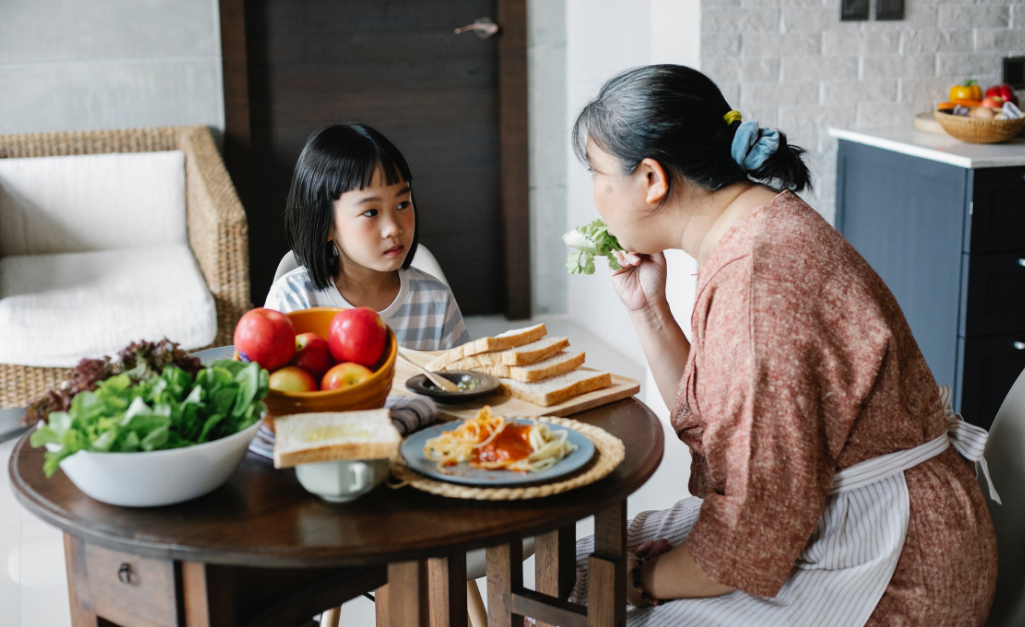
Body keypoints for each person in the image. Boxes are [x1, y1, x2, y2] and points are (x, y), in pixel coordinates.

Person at [567, 64, 998, 626]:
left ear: (652, 179)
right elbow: (718, 428)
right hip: (835, 513)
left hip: (897, 565)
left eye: (597, 173)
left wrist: (645, 582)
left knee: (583, 598)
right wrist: (648, 308)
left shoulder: (757, 281)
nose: (596, 195)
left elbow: (753, 532)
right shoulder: (755, 230)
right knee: (571, 568)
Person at [265, 124, 469, 350]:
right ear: (326, 225)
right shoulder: (293, 299)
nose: (393, 228)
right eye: (371, 212)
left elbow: (462, 379)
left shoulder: (436, 302)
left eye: (402, 204)